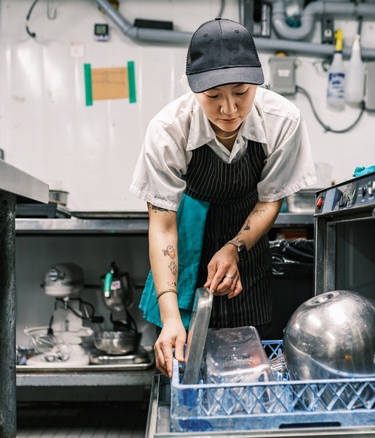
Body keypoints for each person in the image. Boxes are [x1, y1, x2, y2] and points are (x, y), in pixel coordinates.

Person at [130, 18, 316, 377]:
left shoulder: (283, 121)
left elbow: (270, 198)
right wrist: (170, 318)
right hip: (185, 245)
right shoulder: (168, 130)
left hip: (248, 250)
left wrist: (235, 247)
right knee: (182, 361)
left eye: (241, 92)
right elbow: (163, 226)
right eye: (213, 96)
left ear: (257, 82)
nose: (229, 109)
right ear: (194, 88)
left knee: (249, 367)